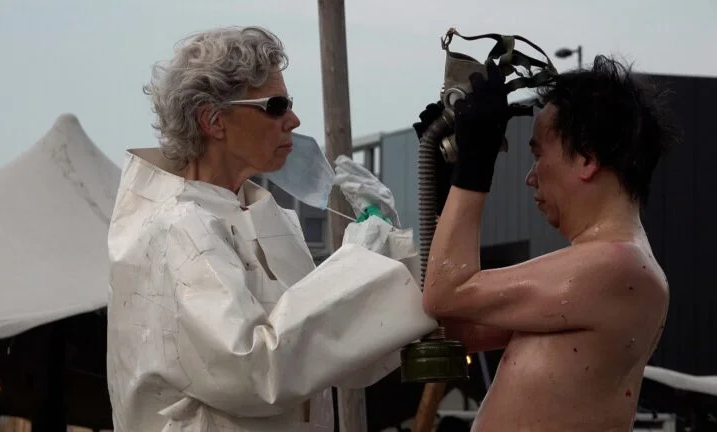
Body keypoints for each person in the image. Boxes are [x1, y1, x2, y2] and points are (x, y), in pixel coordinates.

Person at [105, 26, 436, 432]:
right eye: (275, 105)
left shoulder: (263, 216)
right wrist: (360, 263)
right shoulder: (178, 227)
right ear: (213, 120)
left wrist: (386, 252)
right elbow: (253, 369)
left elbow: (334, 358)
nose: (293, 120)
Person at [415, 55, 680, 431]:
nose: (530, 176)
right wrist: (446, 183)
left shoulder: (619, 268)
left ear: (587, 158)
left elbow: (445, 293)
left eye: (539, 155)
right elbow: (454, 331)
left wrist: (473, 168)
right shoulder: (605, 268)